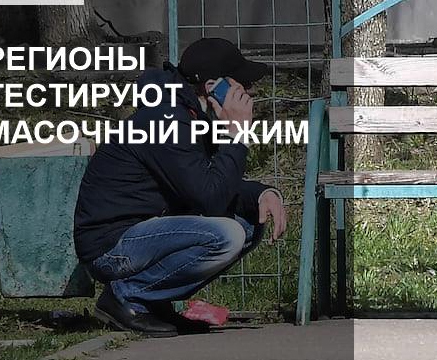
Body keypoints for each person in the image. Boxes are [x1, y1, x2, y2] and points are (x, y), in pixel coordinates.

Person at [74, 37, 288, 337]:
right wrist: (237, 136)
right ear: (213, 87)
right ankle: (124, 297)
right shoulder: (166, 119)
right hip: (112, 245)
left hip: (142, 233)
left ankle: (152, 303)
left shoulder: (189, 115)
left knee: (249, 221)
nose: (251, 92)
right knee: (228, 234)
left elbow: (210, 183)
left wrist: (262, 194)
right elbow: (209, 199)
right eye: (244, 84)